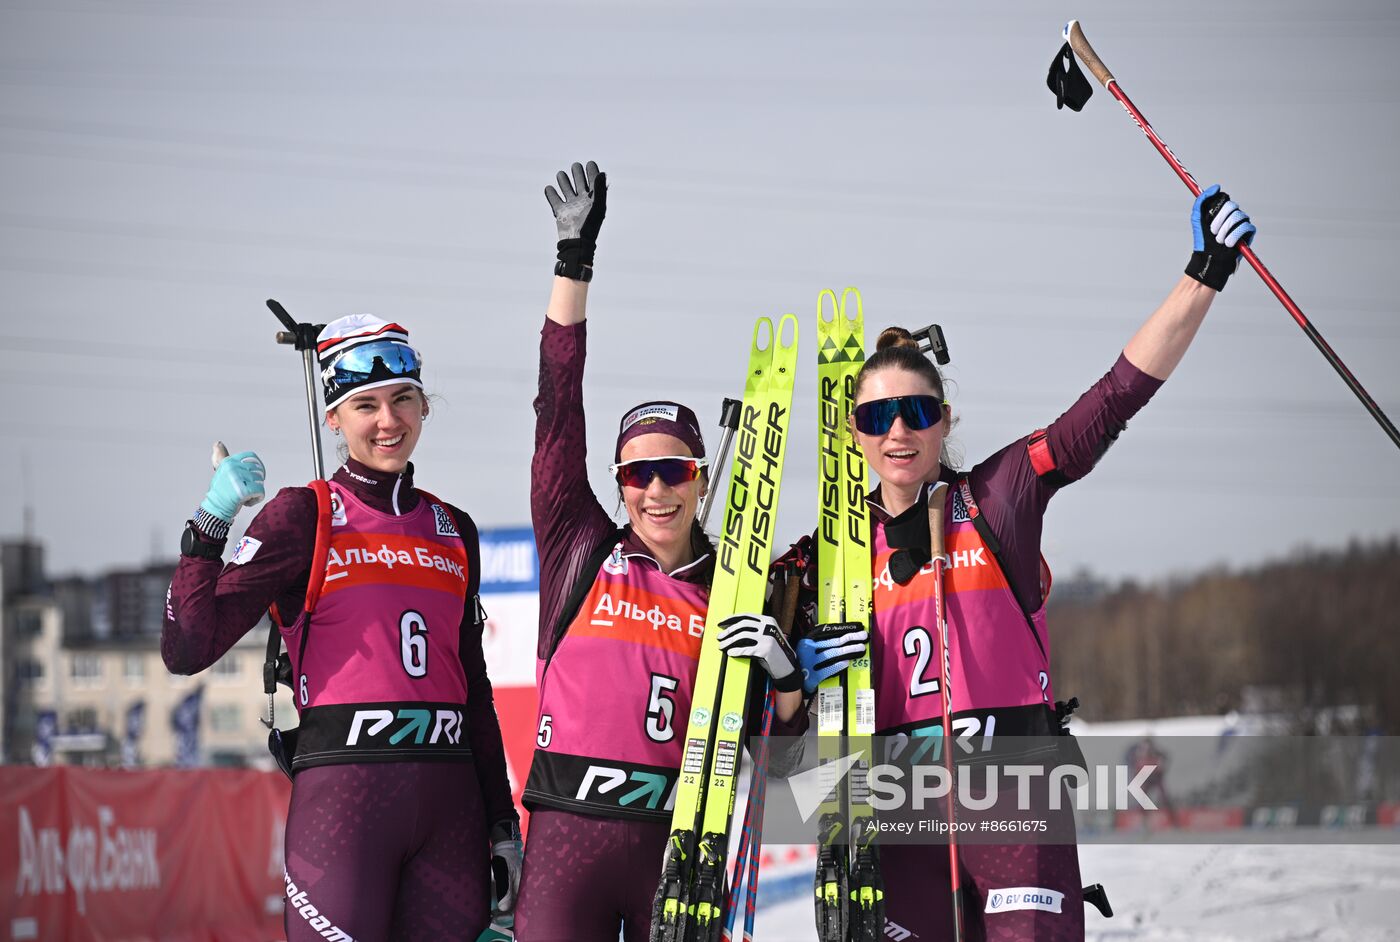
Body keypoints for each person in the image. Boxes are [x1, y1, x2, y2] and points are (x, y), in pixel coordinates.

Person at [787, 185, 1257, 940]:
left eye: (918, 412)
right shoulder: (828, 557)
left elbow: (1108, 404)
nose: (899, 431)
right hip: (900, 820)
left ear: (946, 421)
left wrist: (1202, 273)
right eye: (878, 417)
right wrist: (792, 686)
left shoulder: (998, 497)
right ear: (855, 435)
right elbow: (777, 737)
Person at [515, 161, 808, 942]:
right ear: (618, 483)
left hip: (677, 848)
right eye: (637, 474)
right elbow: (556, 407)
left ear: (701, 478)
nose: (656, 491)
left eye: (674, 470)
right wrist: (572, 264)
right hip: (564, 837)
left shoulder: (736, 587)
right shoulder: (579, 545)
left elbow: (781, 759)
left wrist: (786, 680)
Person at [162, 314, 521, 941]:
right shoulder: (304, 515)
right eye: (366, 405)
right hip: (345, 808)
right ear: (334, 418)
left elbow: (474, 691)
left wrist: (501, 824)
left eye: (404, 399)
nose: (389, 421)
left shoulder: (453, 528)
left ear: (423, 405)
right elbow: (187, 647)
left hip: (450, 808)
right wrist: (212, 521)